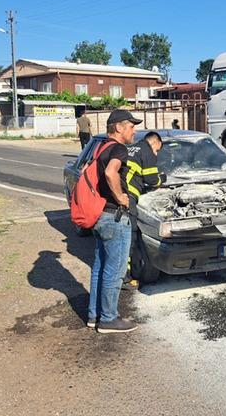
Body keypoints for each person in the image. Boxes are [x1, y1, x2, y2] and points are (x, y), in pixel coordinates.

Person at [87, 109, 142, 333]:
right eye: (131, 126)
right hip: (114, 216)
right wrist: (121, 197)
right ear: (118, 127)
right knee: (115, 270)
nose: (134, 130)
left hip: (100, 216)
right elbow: (111, 173)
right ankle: (109, 319)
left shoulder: (100, 147)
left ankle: (94, 315)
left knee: (99, 268)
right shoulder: (119, 148)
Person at [122, 131, 166, 290]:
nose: (156, 153)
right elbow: (152, 180)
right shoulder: (147, 151)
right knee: (130, 234)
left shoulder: (132, 148)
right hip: (129, 196)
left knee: (124, 234)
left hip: (120, 194)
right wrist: (163, 179)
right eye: (158, 150)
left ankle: (122, 273)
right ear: (155, 143)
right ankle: (125, 277)